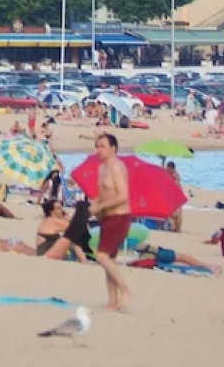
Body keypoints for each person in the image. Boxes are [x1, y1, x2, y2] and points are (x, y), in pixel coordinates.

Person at [90, 133, 131, 312]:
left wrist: (101, 206)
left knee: (102, 256)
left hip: (119, 216)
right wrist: (93, 205)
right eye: (97, 146)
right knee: (109, 259)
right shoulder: (101, 168)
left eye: (102, 146)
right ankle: (112, 301)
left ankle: (125, 291)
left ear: (113, 148)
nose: (99, 150)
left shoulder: (116, 167)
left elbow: (123, 196)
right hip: (106, 217)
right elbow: (104, 194)